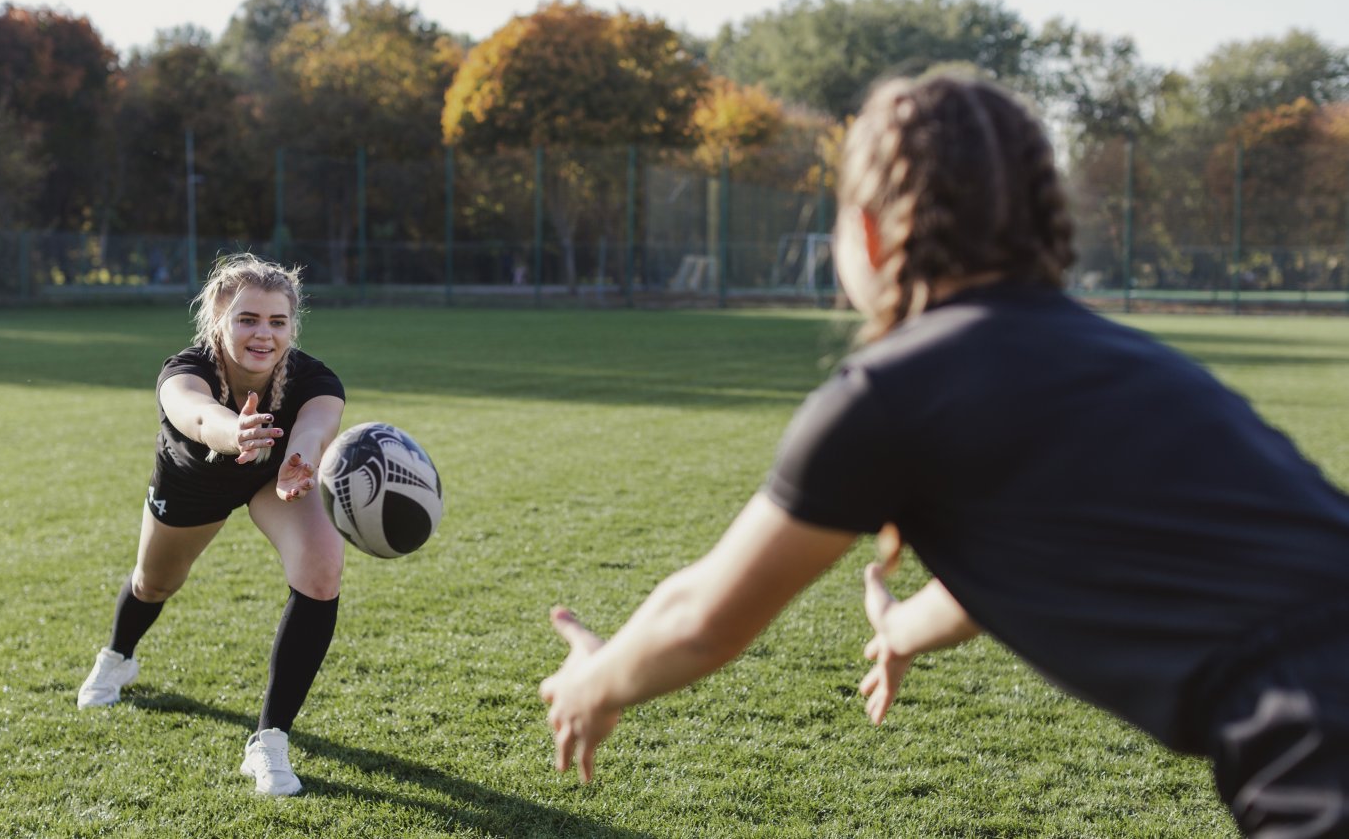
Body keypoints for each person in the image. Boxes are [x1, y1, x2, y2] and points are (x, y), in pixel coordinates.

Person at [538, 72, 1349, 838]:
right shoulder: (1128, 359)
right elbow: (1015, 564)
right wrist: (902, 631)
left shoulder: (890, 393)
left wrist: (594, 682)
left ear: (867, 229)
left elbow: (701, 620)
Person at [77, 253, 347, 797]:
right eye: (248, 319)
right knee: (154, 583)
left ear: (293, 325)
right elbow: (198, 416)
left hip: (276, 479)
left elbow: (316, 427)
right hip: (193, 482)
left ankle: (269, 741)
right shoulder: (185, 370)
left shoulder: (316, 379)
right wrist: (236, 432)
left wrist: (298, 460)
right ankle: (118, 658)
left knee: (322, 569)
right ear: (218, 319)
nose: (263, 334)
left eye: (277, 321)